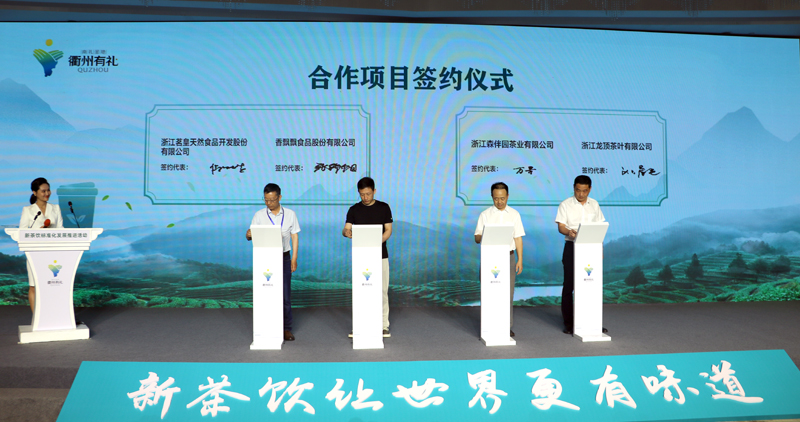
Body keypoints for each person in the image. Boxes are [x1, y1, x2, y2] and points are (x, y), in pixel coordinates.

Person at [246, 183, 300, 341]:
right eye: (266, 200)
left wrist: (294, 258)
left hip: (284, 257)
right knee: (266, 293)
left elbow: (294, 236)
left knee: (285, 295)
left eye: (272, 200)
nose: (269, 203)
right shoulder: (259, 215)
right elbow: (251, 235)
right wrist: (248, 234)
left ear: (279, 197)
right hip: (265, 258)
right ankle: (267, 326)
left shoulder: (290, 214)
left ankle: (286, 329)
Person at [555, 175, 607, 335]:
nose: (581, 194)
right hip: (572, 247)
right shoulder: (565, 204)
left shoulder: (594, 204)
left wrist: (600, 250)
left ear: (589, 189)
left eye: (584, 191)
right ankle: (569, 324)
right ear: (574, 188)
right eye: (578, 190)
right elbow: (561, 227)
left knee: (591, 286)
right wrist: (569, 232)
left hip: (591, 248)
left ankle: (593, 323)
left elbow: (600, 228)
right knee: (569, 286)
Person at [342, 177, 393, 337]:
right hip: (361, 257)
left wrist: (376, 242)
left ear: (374, 191)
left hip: (380, 255)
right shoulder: (354, 210)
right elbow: (346, 228)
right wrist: (346, 232)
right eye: (362, 194)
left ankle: (383, 325)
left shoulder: (384, 207)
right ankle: (359, 325)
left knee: (382, 291)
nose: (365, 197)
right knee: (361, 291)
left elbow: (388, 230)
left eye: (368, 194)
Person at [474, 182, 525, 337]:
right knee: (489, 293)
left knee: (507, 294)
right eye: (496, 198)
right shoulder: (485, 215)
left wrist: (520, 260)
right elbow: (477, 238)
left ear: (507, 196)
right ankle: (488, 326)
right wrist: (485, 234)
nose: (499, 201)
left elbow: (518, 238)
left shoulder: (514, 214)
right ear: (492, 197)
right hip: (490, 257)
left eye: (502, 198)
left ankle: (506, 326)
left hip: (508, 257)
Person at [19, 177, 64, 313]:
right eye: (43, 191)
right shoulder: (28, 210)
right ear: (35, 192)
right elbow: (22, 232)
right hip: (34, 253)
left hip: (53, 254)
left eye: (48, 190)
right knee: (34, 285)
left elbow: (61, 230)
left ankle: (52, 314)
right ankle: (37, 317)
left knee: (52, 284)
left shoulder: (55, 208)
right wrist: (38, 231)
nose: (47, 193)